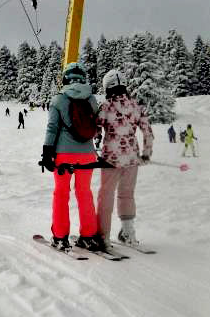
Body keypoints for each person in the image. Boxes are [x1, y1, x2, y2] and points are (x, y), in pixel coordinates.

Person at [40, 62, 104, 253]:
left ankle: (60, 237)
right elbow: (96, 126)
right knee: (84, 192)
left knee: (61, 193)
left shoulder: (58, 99)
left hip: (64, 155)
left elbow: (52, 128)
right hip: (87, 155)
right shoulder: (92, 99)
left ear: (65, 78)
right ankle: (89, 235)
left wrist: (47, 152)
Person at [95, 69, 154, 248]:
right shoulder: (136, 106)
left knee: (106, 195)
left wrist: (96, 142)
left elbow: (96, 128)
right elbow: (148, 132)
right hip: (132, 158)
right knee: (127, 194)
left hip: (110, 159)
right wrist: (146, 153)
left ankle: (103, 235)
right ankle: (128, 233)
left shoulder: (105, 106)